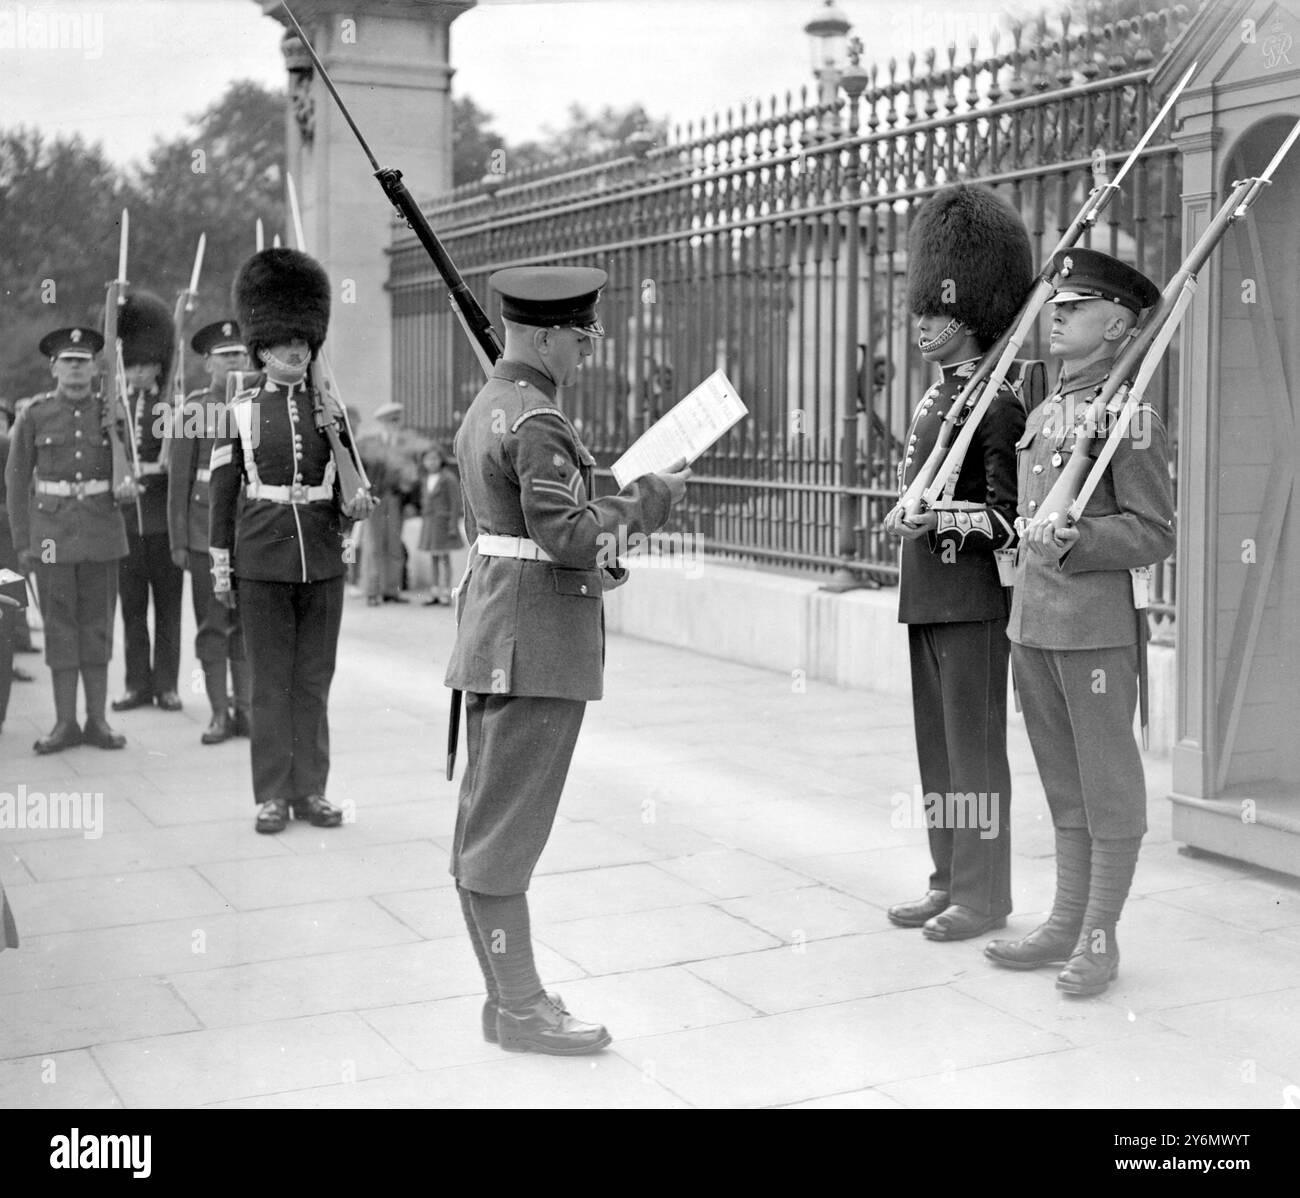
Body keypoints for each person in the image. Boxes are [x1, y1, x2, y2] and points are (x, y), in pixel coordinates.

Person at [445, 265, 690, 1055]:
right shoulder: (538, 418)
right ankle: (521, 1009)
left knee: (484, 831)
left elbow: (528, 529)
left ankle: (505, 1000)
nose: (586, 351)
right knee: (503, 839)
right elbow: (572, 536)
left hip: (498, 636)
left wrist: (597, 546)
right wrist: (652, 499)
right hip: (537, 648)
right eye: (582, 337)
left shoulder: (490, 406)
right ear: (548, 334)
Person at [985, 247, 1174, 997]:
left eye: (1075, 307)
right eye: (1056, 305)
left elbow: (1156, 531)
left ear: (1120, 324)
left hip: (1093, 629)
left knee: (1108, 787)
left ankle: (1099, 934)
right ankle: (1066, 919)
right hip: (1032, 625)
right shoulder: (1045, 409)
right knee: (1064, 784)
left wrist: (1083, 540)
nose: (1055, 315)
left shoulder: (1132, 417)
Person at [882, 183, 1031, 942]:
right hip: (928, 595)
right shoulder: (937, 398)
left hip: (972, 599)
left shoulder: (996, 403)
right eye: (916, 312)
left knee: (975, 756)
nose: (920, 325)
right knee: (938, 755)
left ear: (973, 312)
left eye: (933, 314)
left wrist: (929, 515)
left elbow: (1007, 520)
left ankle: (985, 895)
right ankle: (948, 879)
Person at [208, 247, 377, 834]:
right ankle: (272, 795)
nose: (298, 350)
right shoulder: (241, 411)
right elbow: (224, 492)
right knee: (269, 683)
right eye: (285, 342)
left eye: (304, 341)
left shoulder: (331, 411)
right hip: (260, 558)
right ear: (261, 346)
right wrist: (221, 564)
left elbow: (351, 487)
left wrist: (357, 507)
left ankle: (312, 791)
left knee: (313, 682)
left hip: (322, 559)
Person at [4, 327, 135, 754]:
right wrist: (24, 542)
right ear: (54, 367)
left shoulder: (113, 414)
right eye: (68, 361)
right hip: (51, 537)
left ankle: (97, 720)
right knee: (61, 629)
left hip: (101, 532)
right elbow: (17, 479)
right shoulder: (35, 414)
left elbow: (126, 470)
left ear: (97, 367)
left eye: (84, 360)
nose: (76, 367)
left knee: (97, 628)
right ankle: (65, 723)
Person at [168, 319, 252, 744]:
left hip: (251, 532)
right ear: (207, 364)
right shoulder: (192, 410)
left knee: (247, 624)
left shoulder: (259, 403)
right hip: (205, 534)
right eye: (225, 355)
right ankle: (219, 711)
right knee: (213, 624)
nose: (234, 360)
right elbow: (178, 481)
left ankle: (246, 709)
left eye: (239, 353)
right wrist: (179, 541)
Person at [113, 293, 185, 714]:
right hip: (127, 525)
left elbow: (184, 462)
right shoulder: (117, 409)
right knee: (133, 610)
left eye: (145, 365)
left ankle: (167, 685)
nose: (139, 373)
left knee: (169, 611)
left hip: (163, 522)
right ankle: (136, 684)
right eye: (133, 366)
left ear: (159, 366)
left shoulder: (172, 408)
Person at [358, 402, 413, 605]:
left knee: (394, 545)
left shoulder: (403, 444)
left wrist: (411, 502)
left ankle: (392, 590)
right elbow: (361, 470)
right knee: (373, 545)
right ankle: (372, 591)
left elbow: (412, 475)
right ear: (381, 422)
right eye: (391, 420)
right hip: (376, 497)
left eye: (397, 419)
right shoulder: (370, 444)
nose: (395, 423)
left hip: (396, 499)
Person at [418, 445, 463, 605]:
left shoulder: (448, 478)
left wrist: (452, 525)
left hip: (443, 524)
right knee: (434, 557)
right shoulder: (425, 479)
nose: (431, 463)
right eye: (428, 459)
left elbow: (455, 503)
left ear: (441, 460)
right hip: (430, 524)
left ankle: (446, 592)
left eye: (435, 459)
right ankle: (435, 591)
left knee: (444, 557)